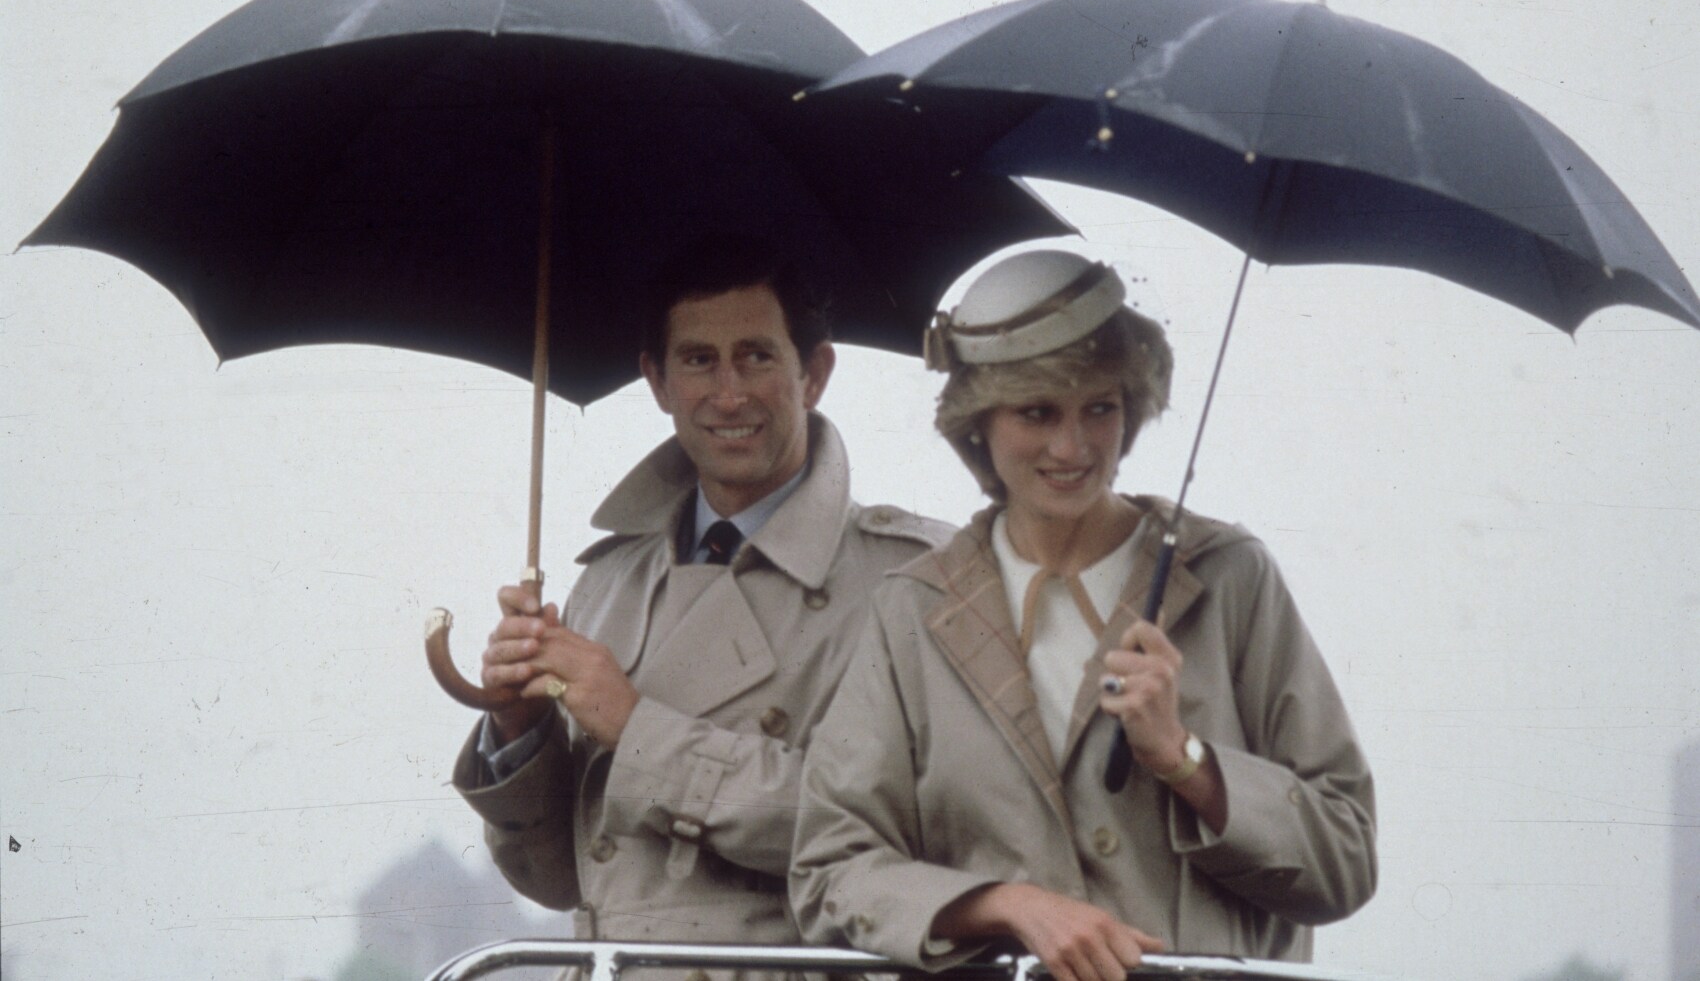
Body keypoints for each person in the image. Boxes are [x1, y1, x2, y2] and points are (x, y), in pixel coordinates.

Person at [790, 249, 1376, 980]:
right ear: (979, 424)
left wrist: (1186, 760)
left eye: (1100, 406)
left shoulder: (1231, 578)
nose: (1073, 446)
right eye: (1038, 411)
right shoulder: (911, 608)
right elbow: (831, 868)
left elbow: (1347, 858)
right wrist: (1007, 903)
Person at [453, 237, 949, 963]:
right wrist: (520, 728)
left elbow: (897, 834)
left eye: (755, 355)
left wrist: (635, 726)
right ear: (656, 380)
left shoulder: (908, 579)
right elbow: (570, 880)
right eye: (698, 360)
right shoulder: (608, 581)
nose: (729, 393)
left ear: (814, 372)